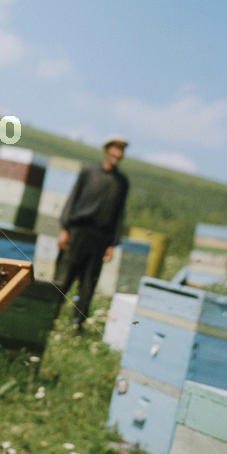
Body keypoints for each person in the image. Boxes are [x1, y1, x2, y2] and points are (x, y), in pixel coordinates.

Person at [54, 135, 130, 331]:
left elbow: (119, 214)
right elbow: (72, 199)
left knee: (88, 284)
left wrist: (112, 244)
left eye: (121, 150)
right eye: (115, 149)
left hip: (101, 238)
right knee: (64, 277)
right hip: (78, 231)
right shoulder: (89, 172)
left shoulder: (122, 182)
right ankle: (49, 314)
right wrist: (64, 228)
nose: (117, 154)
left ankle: (76, 325)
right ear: (107, 150)